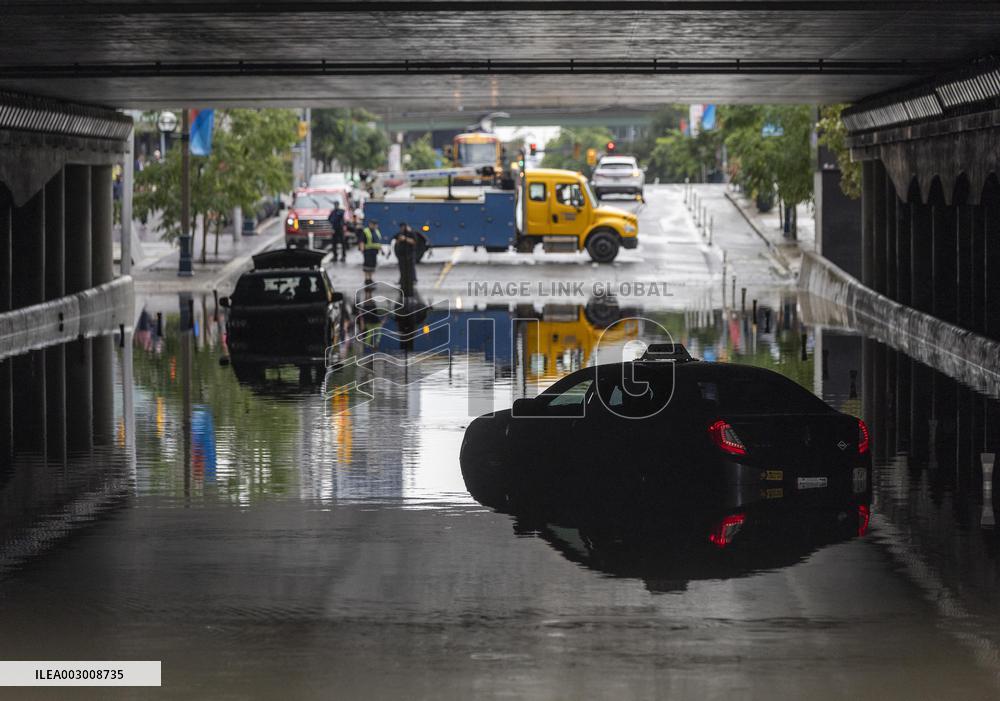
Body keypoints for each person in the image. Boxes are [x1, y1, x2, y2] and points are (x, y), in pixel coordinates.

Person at [393, 222, 418, 298]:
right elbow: (396, 241)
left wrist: (405, 239)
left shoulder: (411, 233)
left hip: (409, 256)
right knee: (402, 271)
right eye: (401, 227)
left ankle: (410, 287)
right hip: (402, 256)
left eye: (403, 227)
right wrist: (399, 240)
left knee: (410, 272)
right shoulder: (399, 234)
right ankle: (403, 286)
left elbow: (414, 242)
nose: (402, 228)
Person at [359, 219, 383, 286]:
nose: (375, 226)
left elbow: (378, 241)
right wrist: (362, 249)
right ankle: (367, 279)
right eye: (374, 224)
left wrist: (381, 250)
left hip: (374, 251)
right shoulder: (366, 231)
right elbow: (362, 241)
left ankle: (370, 278)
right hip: (368, 251)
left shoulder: (376, 231)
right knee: (367, 265)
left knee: (372, 265)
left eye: (376, 224)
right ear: (370, 224)